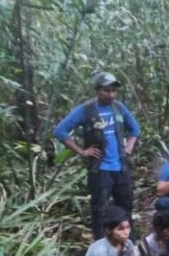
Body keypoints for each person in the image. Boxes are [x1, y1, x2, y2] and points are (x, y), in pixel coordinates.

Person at [54, 72, 140, 240]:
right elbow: (60, 131)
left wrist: (128, 149)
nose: (111, 94)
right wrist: (82, 151)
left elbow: (135, 129)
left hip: (121, 167)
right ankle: (102, 244)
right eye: (106, 91)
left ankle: (130, 243)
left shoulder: (119, 108)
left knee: (126, 206)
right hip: (100, 169)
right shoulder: (85, 110)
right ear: (97, 90)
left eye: (113, 91)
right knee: (100, 208)